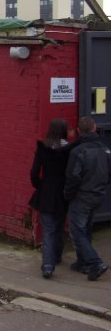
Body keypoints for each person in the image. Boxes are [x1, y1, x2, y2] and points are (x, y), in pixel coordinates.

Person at [64, 116, 111, 281]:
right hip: (98, 195)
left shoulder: (78, 151)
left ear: (78, 131)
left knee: (77, 232)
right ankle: (82, 263)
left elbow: (73, 176)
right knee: (86, 229)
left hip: (82, 196)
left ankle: (95, 263)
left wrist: (68, 195)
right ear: (94, 128)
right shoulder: (105, 149)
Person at [28, 118, 71, 278]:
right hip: (62, 192)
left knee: (48, 230)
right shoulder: (69, 149)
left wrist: (39, 185)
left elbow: (33, 173)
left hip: (46, 191)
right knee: (59, 226)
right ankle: (57, 256)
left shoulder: (42, 148)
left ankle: (47, 265)